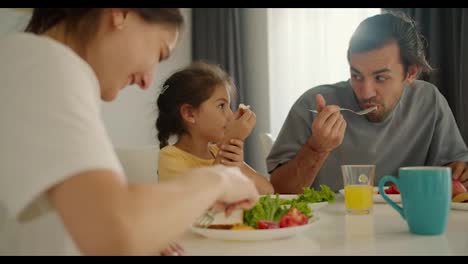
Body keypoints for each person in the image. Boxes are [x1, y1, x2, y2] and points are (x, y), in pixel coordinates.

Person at [0, 8, 259, 256]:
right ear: (122, 13)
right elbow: (112, 228)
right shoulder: (45, 64)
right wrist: (219, 180)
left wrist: (148, 229)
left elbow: (89, 217)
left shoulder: (27, 63)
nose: (147, 81)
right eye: (158, 53)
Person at [268, 12, 468, 194]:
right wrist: (316, 149)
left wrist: (459, 174)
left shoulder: (428, 101)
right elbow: (279, 191)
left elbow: (455, 170)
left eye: (380, 78)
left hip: (406, 226)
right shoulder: (312, 105)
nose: (365, 92)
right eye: (356, 75)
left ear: (410, 73)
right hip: (328, 229)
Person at [156, 62, 274, 195]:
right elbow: (197, 200)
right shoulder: (170, 157)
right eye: (221, 106)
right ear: (190, 114)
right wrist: (231, 140)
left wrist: (239, 164)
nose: (230, 114)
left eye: (228, 106)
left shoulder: (218, 151)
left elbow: (268, 191)